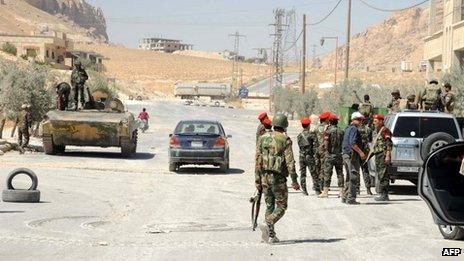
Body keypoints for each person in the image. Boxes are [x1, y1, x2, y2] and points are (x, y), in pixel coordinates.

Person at [255, 113, 300, 244]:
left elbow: (257, 160)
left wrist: (257, 179)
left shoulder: (262, 138)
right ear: (285, 125)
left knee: (269, 205)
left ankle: (270, 236)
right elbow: (290, 162)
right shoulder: (285, 140)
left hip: (264, 177)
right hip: (278, 178)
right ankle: (268, 223)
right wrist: (294, 180)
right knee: (281, 206)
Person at [341, 112, 367, 204]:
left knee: (349, 176)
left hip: (346, 154)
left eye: (361, 120)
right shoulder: (354, 129)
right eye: (359, 119)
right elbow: (353, 144)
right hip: (351, 156)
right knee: (353, 176)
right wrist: (361, 153)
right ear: (353, 119)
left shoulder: (348, 128)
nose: (361, 122)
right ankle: (351, 198)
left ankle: (345, 196)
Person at [320, 114, 344, 198]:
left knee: (327, 174)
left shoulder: (328, 131)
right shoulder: (341, 131)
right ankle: (341, 192)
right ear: (337, 122)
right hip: (339, 155)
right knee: (340, 174)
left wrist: (325, 149)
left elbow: (326, 144)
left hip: (329, 155)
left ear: (330, 122)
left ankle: (325, 192)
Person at [371, 114, 393, 201]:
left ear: (381, 121)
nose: (374, 123)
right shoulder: (376, 130)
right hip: (378, 155)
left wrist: (388, 155)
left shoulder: (385, 130)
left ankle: (385, 195)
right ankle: (382, 193)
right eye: (374, 121)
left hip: (383, 155)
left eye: (376, 121)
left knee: (383, 175)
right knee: (380, 175)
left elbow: (389, 144)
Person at [297, 117, 319, 196]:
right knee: (314, 173)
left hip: (301, 156)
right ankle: (317, 190)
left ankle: (304, 190)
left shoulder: (299, 135)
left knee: (303, 174)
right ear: (309, 125)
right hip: (309, 156)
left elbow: (299, 146)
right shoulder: (312, 134)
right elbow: (316, 145)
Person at [315, 111, 331, 191]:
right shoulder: (328, 127)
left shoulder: (316, 127)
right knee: (325, 168)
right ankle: (323, 186)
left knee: (318, 167)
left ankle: (318, 185)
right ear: (327, 119)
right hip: (325, 150)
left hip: (318, 150)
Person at [357, 118, 373, 195]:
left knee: (356, 170)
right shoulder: (368, 129)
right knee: (365, 170)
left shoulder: (356, 129)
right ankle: (368, 189)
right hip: (365, 151)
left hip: (357, 151)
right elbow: (370, 140)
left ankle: (357, 189)